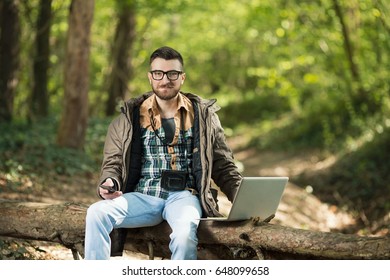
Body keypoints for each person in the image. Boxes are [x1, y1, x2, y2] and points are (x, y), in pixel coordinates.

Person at [84, 46, 242, 260]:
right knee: (96, 213)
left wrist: (243, 200)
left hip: (184, 196)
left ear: (182, 77)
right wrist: (110, 181)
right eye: (158, 73)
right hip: (143, 196)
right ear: (150, 77)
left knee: (185, 233)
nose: (165, 79)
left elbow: (223, 165)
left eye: (172, 74)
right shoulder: (128, 118)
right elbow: (113, 163)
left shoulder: (204, 117)